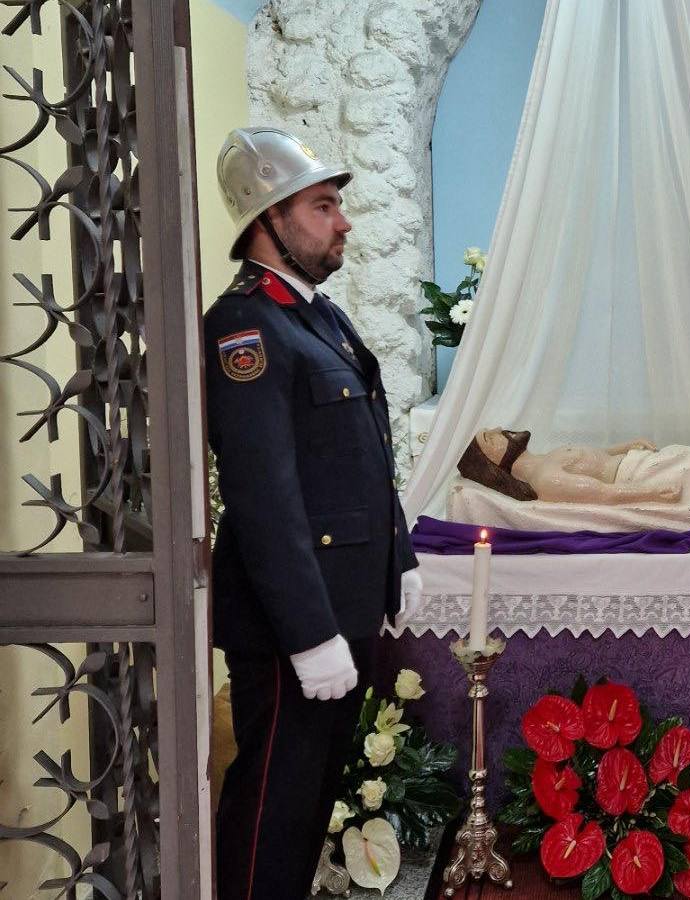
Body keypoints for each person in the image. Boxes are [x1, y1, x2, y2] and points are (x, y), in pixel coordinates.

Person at [206, 127, 428, 900]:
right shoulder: (245, 328)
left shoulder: (318, 316)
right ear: (268, 220)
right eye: (323, 206)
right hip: (290, 631)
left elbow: (360, 453)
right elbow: (263, 498)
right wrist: (309, 635)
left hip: (342, 611)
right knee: (272, 816)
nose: (344, 222)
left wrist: (398, 558)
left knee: (305, 813)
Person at [457, 427, 690, 504]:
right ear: (493, 460)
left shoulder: (545, 460)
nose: (498, 430)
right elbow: (601, 492)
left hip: (632, 463)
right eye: (489, 438)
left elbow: (593, 460)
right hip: (636, 476)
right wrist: (649, 493)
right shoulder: (545, 478)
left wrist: (622, 447)